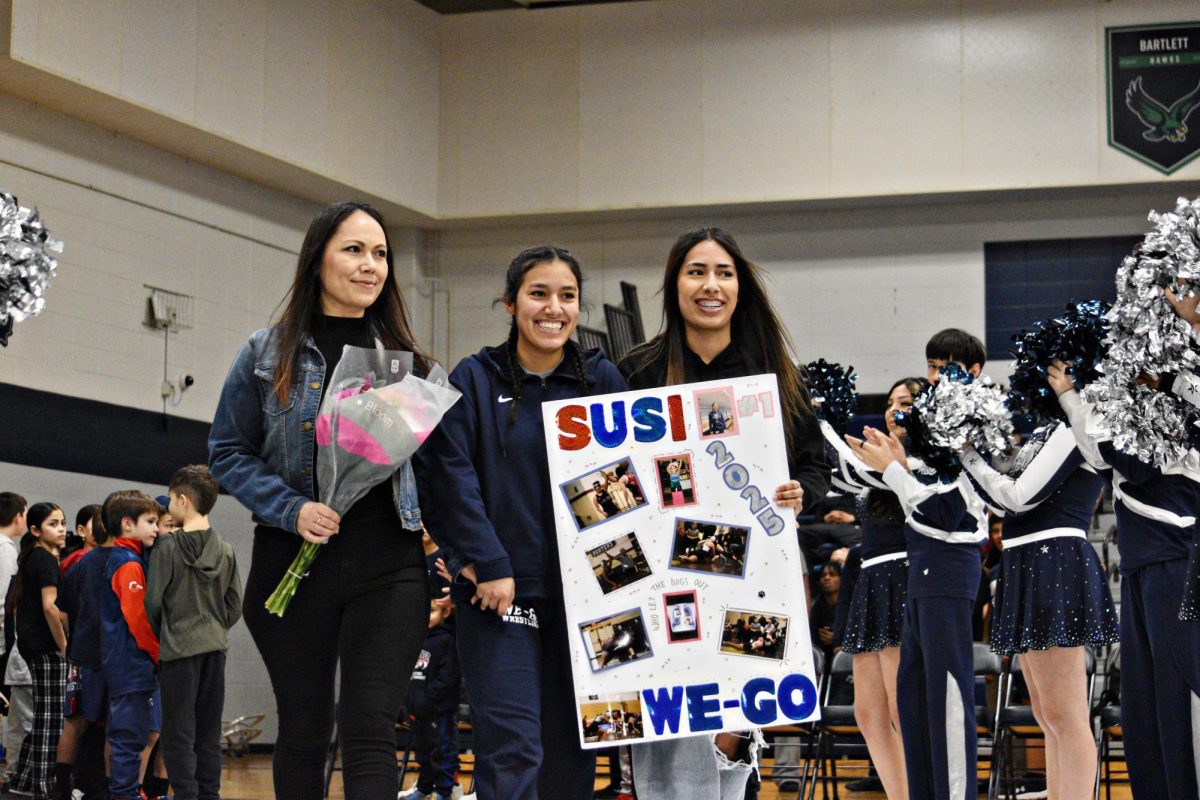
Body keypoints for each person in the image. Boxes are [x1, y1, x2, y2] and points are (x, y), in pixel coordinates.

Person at [208, 201, 433, 799]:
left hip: (391, 570)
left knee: (369, 727)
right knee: (305, 729)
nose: (370, 266)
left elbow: (441, 474)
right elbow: (227, 452)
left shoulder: (410, 366)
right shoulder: (266, 352)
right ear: (318, 259)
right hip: (292, 563)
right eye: (354, 250)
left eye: (380, 253)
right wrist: (291, 508)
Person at [618, 226, 830, 799]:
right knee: (667, 719)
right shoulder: (637, 369)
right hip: (662, 576)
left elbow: (815, 463)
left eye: (723, 273)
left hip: (755, 574)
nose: (710, 285)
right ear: (674, 284)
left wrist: (797, 492)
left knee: (735, 713)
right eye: (696, 272)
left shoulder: (775, 373)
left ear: (740, 287)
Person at [415, 245, 627, 800]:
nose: (553, 308)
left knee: (575, 751)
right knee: (512, 747)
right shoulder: (474, 379)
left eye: (567, 296)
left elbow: (636, 481)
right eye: (538, 293)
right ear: (510, 304)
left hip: (591, 602)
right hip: (500, 597)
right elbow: (450, 479)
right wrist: (488, 563)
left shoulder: (603, 381)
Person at [960, 373, 1118, 800]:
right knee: (1047, 713)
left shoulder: (1073, 426)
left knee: (1066, 714)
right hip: (1026, 560)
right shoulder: (1047, 430)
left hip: (1055, 561)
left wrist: (968, 455)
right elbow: (1002, 502)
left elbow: (1017, 497)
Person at [1050, 358, 1200, 799]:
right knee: (1143, 702)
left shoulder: (1180, 402)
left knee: (1180, 695)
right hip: (1141, 562)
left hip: (1178, 560)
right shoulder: (1134, 409)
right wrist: (1075, 399)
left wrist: (1074, 399)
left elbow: (1136, 463)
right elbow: (1100, 455)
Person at [852, 330, 990, 800]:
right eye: (930, 366)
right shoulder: (933, 428)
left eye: (944, 366)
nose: (933, 377)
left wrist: (895, 470)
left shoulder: (976, 423)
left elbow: (945, 512)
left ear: (973, 372)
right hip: (921, 572)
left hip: (949, 567)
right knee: (914, 703)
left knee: (948, 701)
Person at [817, 377, 924, 798]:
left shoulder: (926, 460)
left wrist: (819, 421)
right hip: (870, 583)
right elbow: (836, 476)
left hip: (903, 576)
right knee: (869, 713)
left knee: (903, 709)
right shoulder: (873, 463)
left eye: (906, 401)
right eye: (890, 401)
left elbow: (849, 465)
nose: (895, 409)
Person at [145, 465, 242, 800]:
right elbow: (235, 605)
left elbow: (153, 604)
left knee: (177, 733)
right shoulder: (226, 549)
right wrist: (214, 627)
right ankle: (209, 795)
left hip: (178, 650)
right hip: (215, 649)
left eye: (171, 499)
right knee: (208, 731)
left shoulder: (167, 548)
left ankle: (186, 795)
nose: (169, 506)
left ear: (183, 501)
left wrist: (172, 630)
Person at [92, 490, 160, 800]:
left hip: (125, 664)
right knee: (128, 737)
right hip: (131, 664)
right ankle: (124, 794)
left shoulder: (125, 558)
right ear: (127, 524)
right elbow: (137, 619)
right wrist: (159, 654)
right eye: (151, 521)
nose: (156, 529)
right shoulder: (128, 564)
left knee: (128, 735)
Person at [2, 502, 68, 800]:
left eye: (62, 522)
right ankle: (42, 784)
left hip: (30, 645)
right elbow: (50, 607)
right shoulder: (44, 559)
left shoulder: (31, 557)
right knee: (51, 718)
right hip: (44, 647)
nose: (61, 528)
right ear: (35, 529)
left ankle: (23, 780)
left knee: (43, 713)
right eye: (53, 524)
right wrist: (64, 646)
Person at [51, 504, 110, 800]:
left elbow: (61, 611)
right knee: (90, 720)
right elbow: (59, 612)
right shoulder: (92, 561)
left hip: (82, 651)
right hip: (96, 654)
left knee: (80, 720)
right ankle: (87, 786)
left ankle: (70, 785)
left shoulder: (76, 562)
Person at [398, 596, 461, 800]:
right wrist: (409, 705)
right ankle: (424, 787)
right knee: (423, 754)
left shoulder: (447, 641)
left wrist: (427, 700)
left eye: (432, 611)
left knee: (442, 752)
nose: (426, 616)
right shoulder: (415, 641)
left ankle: (443, 791)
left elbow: (448, 678)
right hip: (418, 712)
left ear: (445, 612)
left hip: (439, 711)